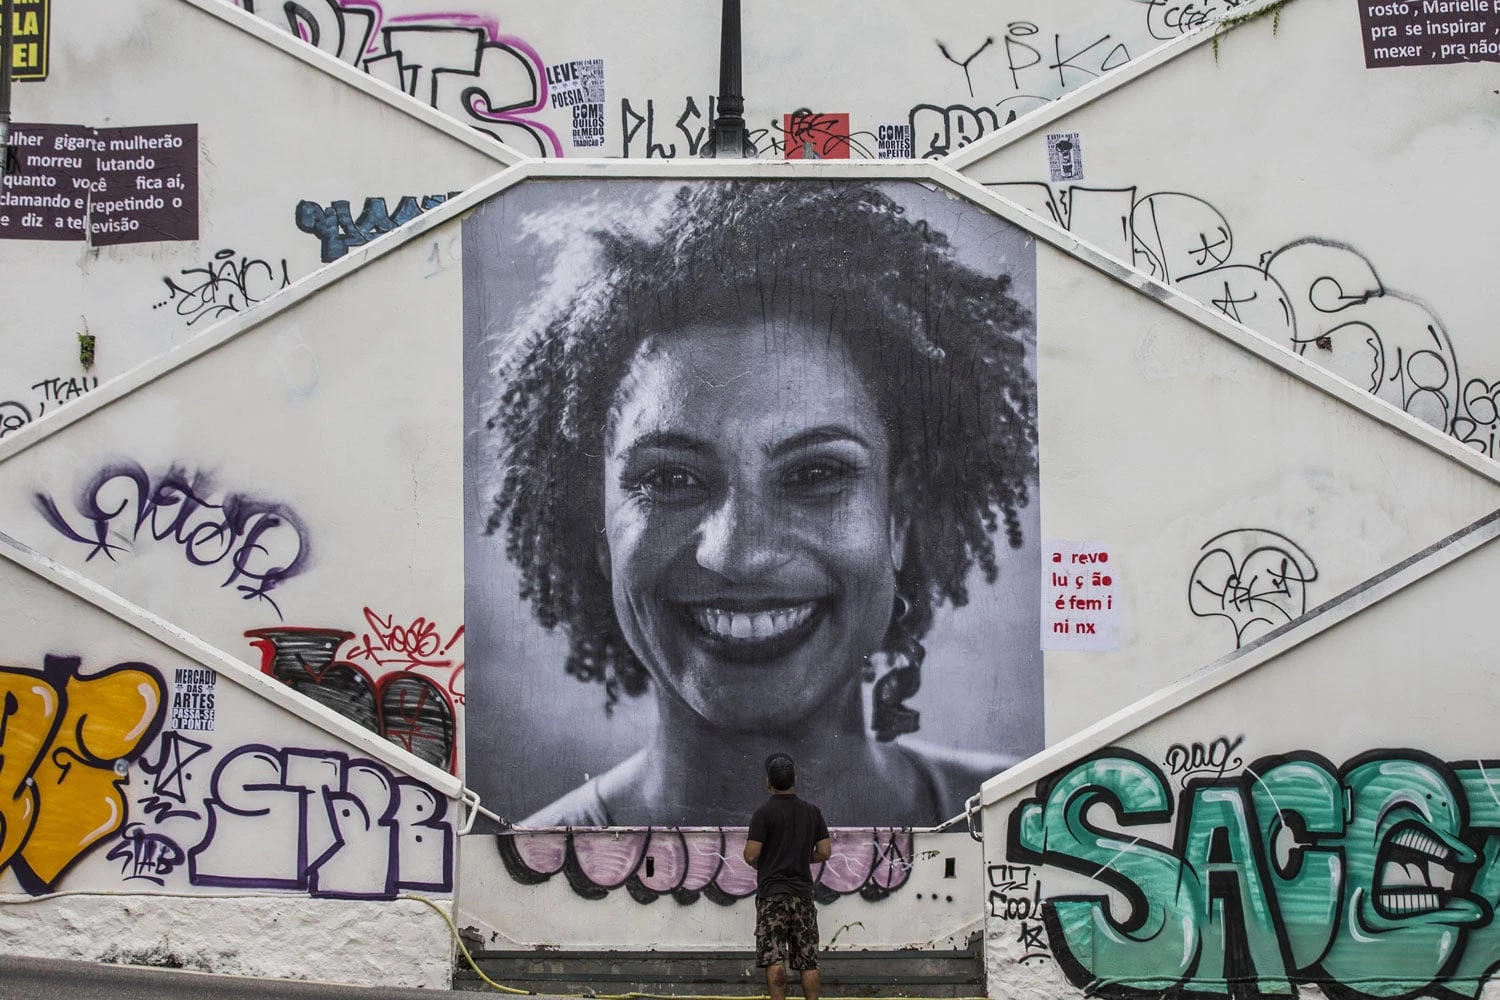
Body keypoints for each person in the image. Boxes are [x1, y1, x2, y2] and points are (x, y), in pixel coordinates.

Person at [478, 180, 1038, 827]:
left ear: (898, 519)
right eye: (670, 480)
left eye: (816, 473)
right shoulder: (518, 887)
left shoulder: (1038, 838)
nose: (739, 553)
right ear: (601, 534)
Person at [744, 754, 831, 1000]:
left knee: (774, 958)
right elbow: (824, 852)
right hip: (802, 896)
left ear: (767, 782)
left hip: (772, 895)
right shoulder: (813, 812)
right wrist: (803, 858)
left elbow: (751, 856)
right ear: (795, 779)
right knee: (808, 961)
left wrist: (768, 860)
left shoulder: (763, 813)